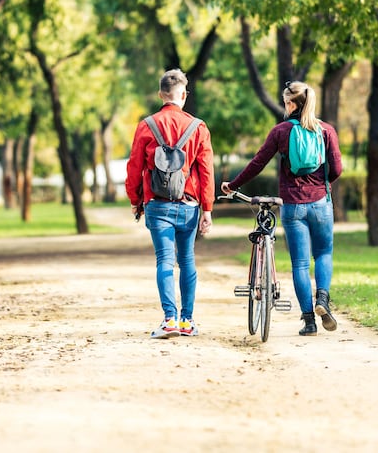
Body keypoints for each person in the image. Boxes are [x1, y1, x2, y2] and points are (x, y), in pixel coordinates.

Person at [221, 80, 343, 336]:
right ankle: (322, 299)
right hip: (321, 203)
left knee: (299, 264)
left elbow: (257, 163)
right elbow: (338, 170)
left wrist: (232, 185)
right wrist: (321, 186)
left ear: (290, 103)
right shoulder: (326, 131)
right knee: (323, 254)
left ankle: (309, 321)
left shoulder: (280, 132)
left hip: (293, 205)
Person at [126, 69, 215, 339]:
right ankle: (187, 321)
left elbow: (134, 167)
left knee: (164, 260)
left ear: (160, 95)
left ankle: (169, 320)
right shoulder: (198, 127)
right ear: (184, 95)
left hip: (157, 203)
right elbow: (206, 170)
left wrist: (135, 200)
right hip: (189, 204)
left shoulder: (146, 125)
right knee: (187, 261)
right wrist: (207, 209)